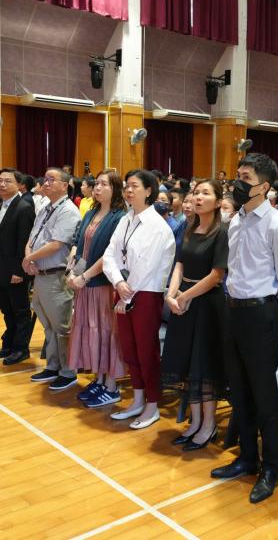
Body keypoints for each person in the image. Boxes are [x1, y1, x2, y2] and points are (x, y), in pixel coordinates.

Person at [210, 153, 278, 505]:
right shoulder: (236, 221)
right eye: (238, 176)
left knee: (264, 395)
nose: (237, 183)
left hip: (262, 315)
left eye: (245, 177)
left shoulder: (277, 225)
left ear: (264, 185)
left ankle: (271, 467)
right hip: (234, 311)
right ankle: (247, 457)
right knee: (239, 391)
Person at [102, 170, 175, 428]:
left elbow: (148, 265)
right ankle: (137, 399)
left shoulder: (157, 226)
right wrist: (118, 282)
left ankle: (152, 405)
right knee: (129, 350)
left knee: (146, 351)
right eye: (126, 186)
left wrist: (126, 290)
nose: (128, 191)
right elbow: (110, 253)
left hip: (145, 294)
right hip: (124, 290)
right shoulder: (126, 219)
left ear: (149, 191)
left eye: (134, 186)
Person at [163, 180, 228, 450]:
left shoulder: (222, 232)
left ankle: (209, 425)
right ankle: (195, 421)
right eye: (196, 192)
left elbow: (216, 275)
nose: (198, 198)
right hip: (183, 301)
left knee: (205, 368)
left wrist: (184, 296)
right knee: (190, 366)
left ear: (217, 200)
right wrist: (171, 294)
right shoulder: (190, 227)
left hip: (207, 305)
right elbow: (179, 263)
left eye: (205, 193)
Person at [67, 170, 127, 407]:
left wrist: (85, 276)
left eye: (104, 184)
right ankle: (100, 379)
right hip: (85, 282)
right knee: (91, 332)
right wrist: (74, 270)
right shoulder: (91, 212)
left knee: (106, 334)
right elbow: (80, 245)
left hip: (103, 285)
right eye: (96, 184)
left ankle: (111, 386)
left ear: (115, 189)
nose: (97, 188)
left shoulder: (119, 217)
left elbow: (109, 256)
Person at [23, 168, 82, 391]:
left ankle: (68, 372)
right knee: (47, 324)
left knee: (62, 326)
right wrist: (28, 257)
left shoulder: (68, 210)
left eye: (51, 180)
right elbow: (33, 237)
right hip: (40, 274)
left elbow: (57, 244)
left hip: (56, 275)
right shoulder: (46, 208)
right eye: (45, 179)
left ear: (65, 185)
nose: (45, 183)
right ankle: (53, 365)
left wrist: (30, 258)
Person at [0, 169, 36, 365]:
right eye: (0, 181)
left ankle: (20, 348)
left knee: (20, 310)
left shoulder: (23, 207)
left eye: (7, 181)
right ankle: (8, 344)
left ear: (19, 185)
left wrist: (19, 271)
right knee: (6, 309)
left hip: (15, 269)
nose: (2, 184)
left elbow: (24, 241)